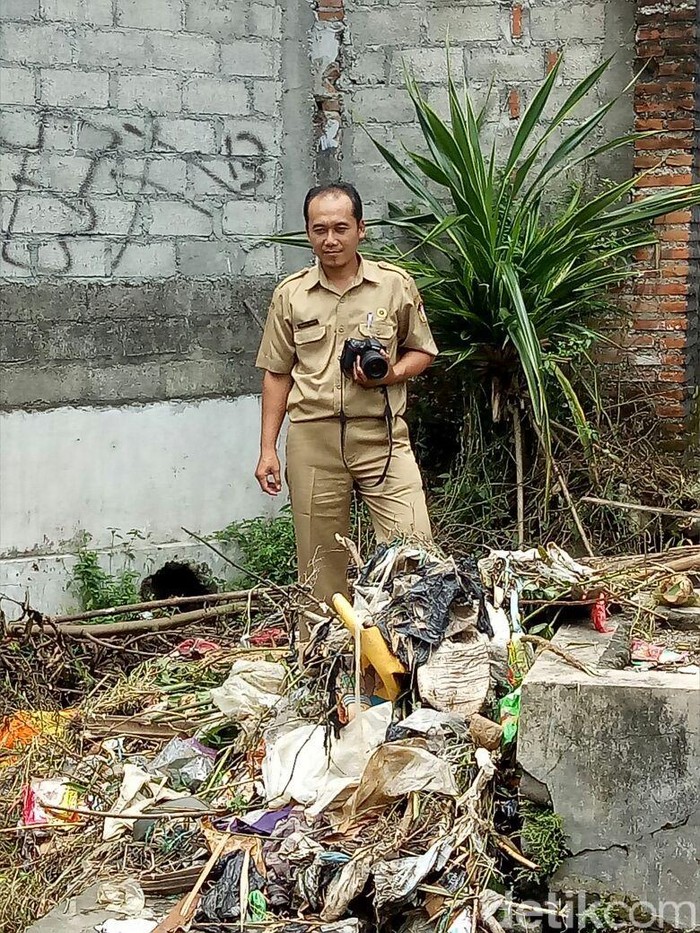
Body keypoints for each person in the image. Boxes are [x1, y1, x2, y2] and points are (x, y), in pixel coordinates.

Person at [254, 182, 437, 634]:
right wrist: (267, 450)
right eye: (319, 230)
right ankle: (322, 665)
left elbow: (423, 351)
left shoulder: (393, 286)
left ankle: (416, 654)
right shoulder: (291, 295)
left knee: (414, 550)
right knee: (320, 566)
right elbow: (276, 373)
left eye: (340, 228)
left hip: (382, 436)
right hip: (313, 440)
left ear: (361, 229)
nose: (330, 239)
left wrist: (390, 373)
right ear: (308, 234)